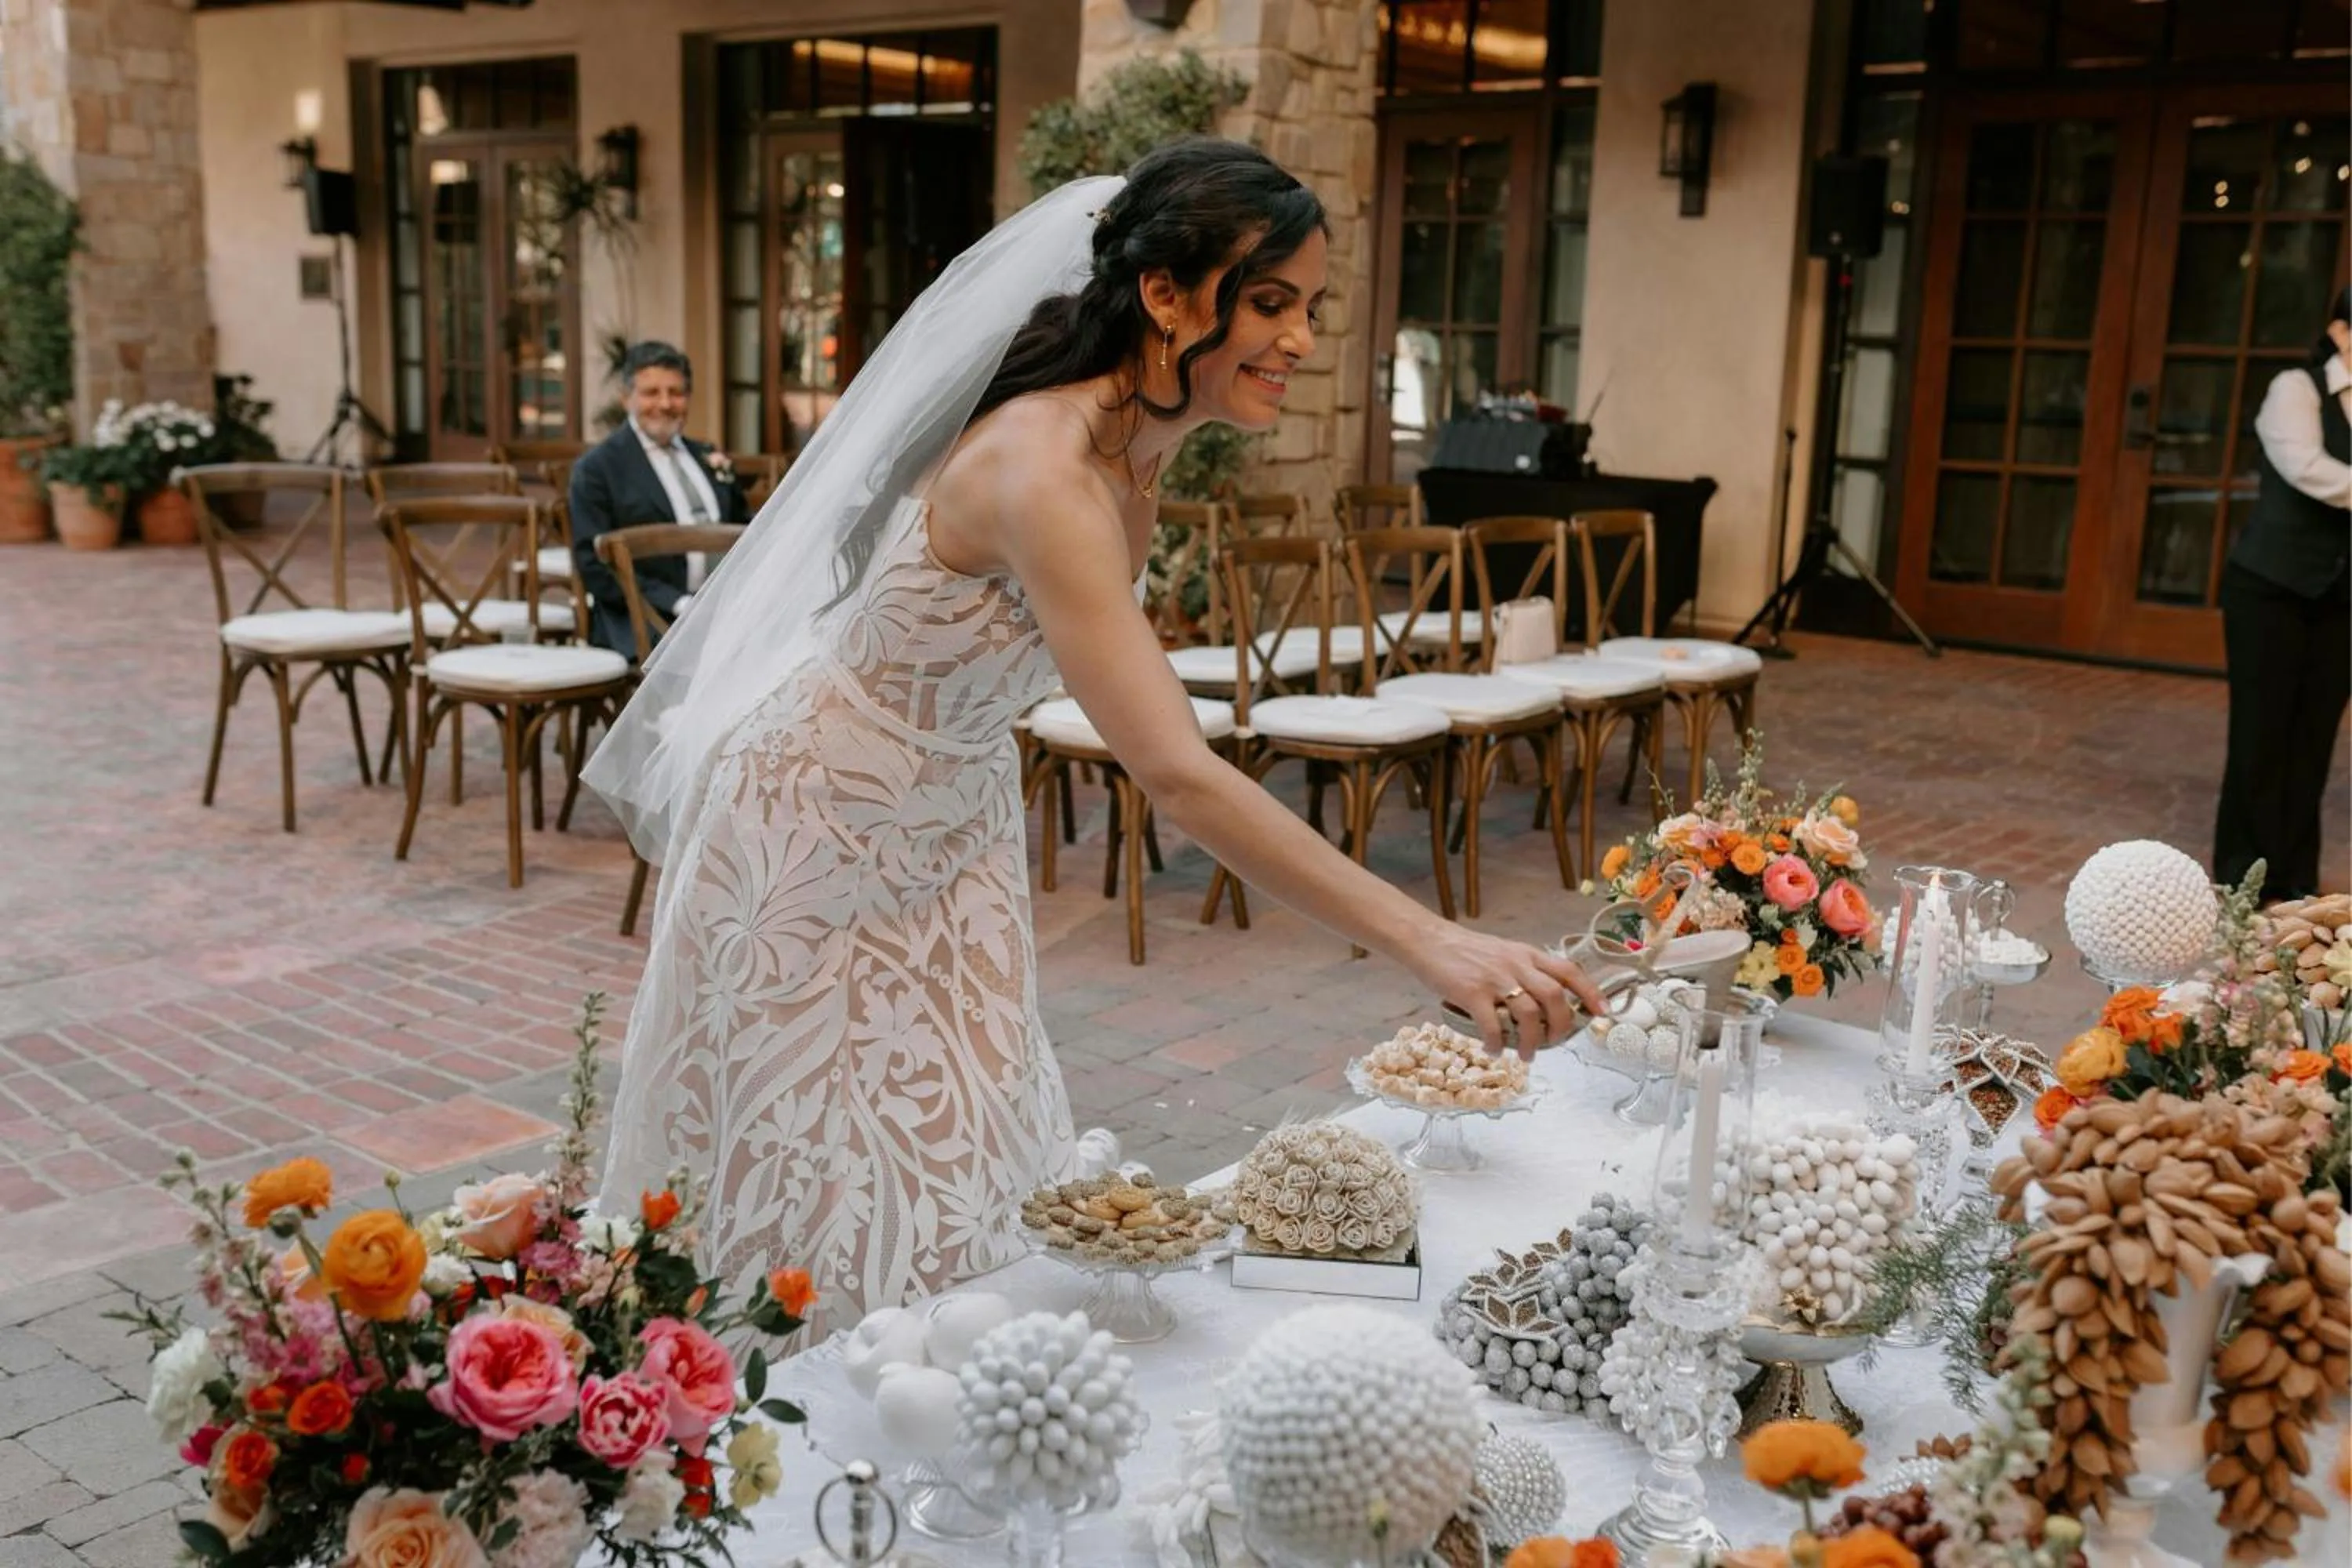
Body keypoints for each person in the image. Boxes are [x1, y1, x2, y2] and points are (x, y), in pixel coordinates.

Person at [586, 142, 1601, 1333]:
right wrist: (1433, 942)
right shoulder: (1045, 466)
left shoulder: (1138, 454)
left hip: (950, 822)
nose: (1301, 340)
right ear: (1166, 297)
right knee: (818, 1168)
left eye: (1310, 308)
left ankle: (943, 1418)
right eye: (1269, 302)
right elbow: (1175, 771)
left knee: (966, 1153)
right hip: (808, 830)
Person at [2215, 287, 2351, 902]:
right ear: (2341, 332)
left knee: (2314, 739)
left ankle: (2294, 880)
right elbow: (2307, 468)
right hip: (2269, 588)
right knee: (2260, 735)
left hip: (2342, 595)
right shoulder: (2294, 389)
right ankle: (2241, 876)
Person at [568, 341, 750, 659]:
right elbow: (596, 568)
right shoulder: (597, 469)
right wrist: (681, 605)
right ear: (627, 399)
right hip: (644, 619)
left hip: (727, 612)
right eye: (651, 393)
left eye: (676, 393)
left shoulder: (706, 456)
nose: (665, 404)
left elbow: (747, 531)